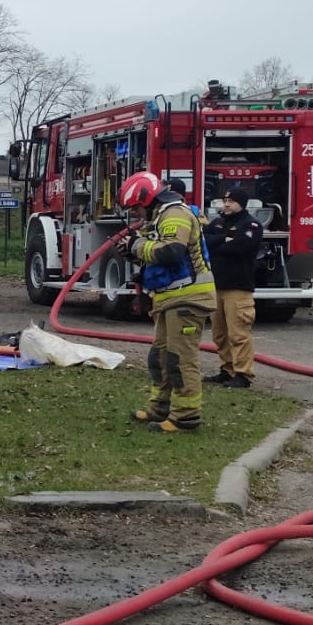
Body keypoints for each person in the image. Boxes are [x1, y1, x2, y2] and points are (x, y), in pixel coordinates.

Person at [119, 171, 216, 432]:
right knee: (159, 357)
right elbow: (156, 254)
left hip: (189, 298)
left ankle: (186, 416)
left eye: (136, 207)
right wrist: (132, 252)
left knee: (179, 359)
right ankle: (159, 408)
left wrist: (137, 245)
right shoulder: (160, 217)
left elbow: (172, 251)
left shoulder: (175, 214)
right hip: (170, 298)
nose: (135, 213)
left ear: (148, 198)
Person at [205, 184, 262, 389]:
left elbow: (240, 247)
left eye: (231, 201)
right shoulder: (218, 223)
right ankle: (227, 369)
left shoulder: (251, 225)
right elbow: (204, 241)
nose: (226, 204)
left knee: (238, 333)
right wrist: (223, 239)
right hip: (216, 286)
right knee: (219, 333)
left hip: (238, 288)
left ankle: (243, 374)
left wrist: (218, 245)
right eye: (225, 201)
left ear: (242, 204)